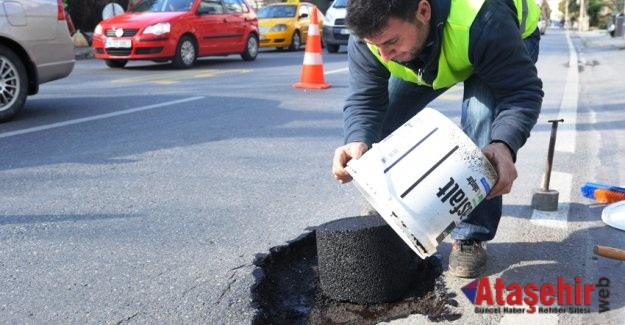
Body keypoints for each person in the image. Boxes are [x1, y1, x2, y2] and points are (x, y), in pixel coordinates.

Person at [331, 0, 544, 278]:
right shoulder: (373, 35)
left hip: (498, 39)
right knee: (379, 126)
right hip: (435, 50)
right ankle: (402, 203)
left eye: (391, 42)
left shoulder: (484, 19)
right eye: (376, 45)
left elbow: (520, 93)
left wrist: (504, 143)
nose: (383, 55)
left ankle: (471, 234)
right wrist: (357, 139)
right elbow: (366, 100)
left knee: (482, 126)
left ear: (423, 10)